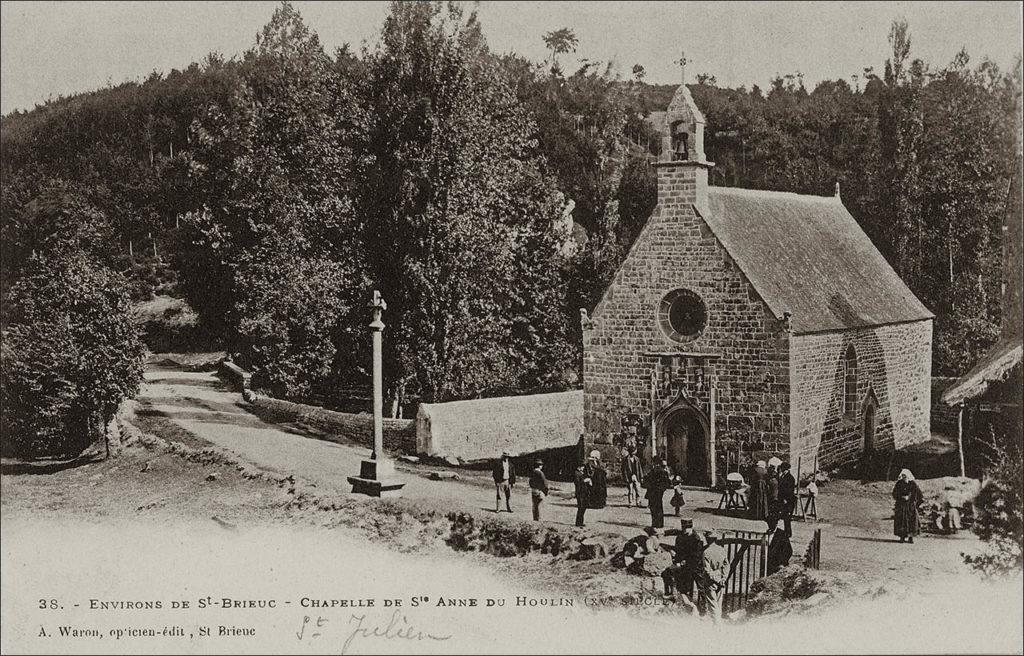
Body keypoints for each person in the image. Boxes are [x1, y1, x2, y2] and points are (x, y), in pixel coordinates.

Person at [661, 518, 705, 601]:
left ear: (691, 528)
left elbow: (696, 556)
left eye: (686, 529)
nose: (684, 530)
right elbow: (676, 533)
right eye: (683, 528)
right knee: (666, 573)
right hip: (683, 565)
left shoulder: (696, 539)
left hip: (695, 566)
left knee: (700, 588)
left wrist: (682, 563)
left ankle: (703, 604)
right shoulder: (681, 536)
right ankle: (670, 594)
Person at [697, 530, 729, 623]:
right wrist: (723, 578)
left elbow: (707, 570)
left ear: (707, 539)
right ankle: (718, 623)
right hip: (721, 578)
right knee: (719, 602)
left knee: (712, 603)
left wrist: (716, 579)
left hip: (711, 581)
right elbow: (726, 565)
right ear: (715, 539)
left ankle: (717, 624)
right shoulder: (722, 550)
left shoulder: (706, 552)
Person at [893, 468, 923, 543]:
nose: (904, 478)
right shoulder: (899, 483)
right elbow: (894, 493)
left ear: (908, 476)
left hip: (910, 506)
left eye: (905, 476)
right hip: (901, 505)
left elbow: (919, 494)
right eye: (902, 476)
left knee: (911, 521)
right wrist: (901, 497)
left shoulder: (913, 484)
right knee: (901, 520)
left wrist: (912, 500)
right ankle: (902, 537)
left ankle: (911, 537)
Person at [644, 458, 672, 529]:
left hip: (653, 492)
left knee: (654, 508)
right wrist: (662, 489)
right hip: (657, 492)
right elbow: (668, 483)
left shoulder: (653, 472)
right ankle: (659, 524)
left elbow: (646, 482)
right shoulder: (660, 472)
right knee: (658, 508)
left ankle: (655, 524)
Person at [777, 462, 797, 537]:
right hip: (784, 499)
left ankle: (788, 533)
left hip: (788, 500)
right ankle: (786, 532)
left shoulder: (790, 478)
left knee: (787, 517)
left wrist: (786, 499)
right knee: (785, 516)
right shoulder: (783, 476)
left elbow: (789, 490)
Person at [573, 463, 592, 527]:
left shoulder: (581, 473)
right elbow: (577, 483)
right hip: (580, 493)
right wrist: (585, 481)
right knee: (581, 507)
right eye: (582, 467)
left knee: (583, 507)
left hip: (583, 492)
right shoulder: (576, 473)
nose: (583, 468)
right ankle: (578, 523)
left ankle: (581, 522)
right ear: (579, 467)